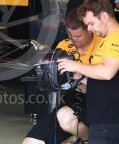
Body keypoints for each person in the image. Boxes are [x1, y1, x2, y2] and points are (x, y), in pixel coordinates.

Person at [58, 0, 119, 144]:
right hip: (104, 120)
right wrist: (80, 77)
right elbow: (107, 81)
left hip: (112, 121)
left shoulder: (117, 38)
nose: (90, 29)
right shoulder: (109, 39)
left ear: (105, 16)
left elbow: (107, 73)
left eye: (92, 23)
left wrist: (76, 65)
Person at [22, 8, 102, 144]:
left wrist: (80, 77)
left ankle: (91, 139)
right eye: (70, 34)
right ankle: (77, 137)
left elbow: (107, 86)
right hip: (69, 102)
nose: (73, 40)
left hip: (96, 105)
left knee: (65, 117)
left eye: (78, 36)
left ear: (90, 29)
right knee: (30, 142)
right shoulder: (64, 46)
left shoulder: (102, 46)